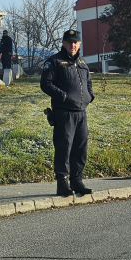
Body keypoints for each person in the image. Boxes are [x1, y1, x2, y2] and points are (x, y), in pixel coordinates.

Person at [40, 29, 95, 197]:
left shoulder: (83, 63)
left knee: (80, 148)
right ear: (63, 43)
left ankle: (77, 181)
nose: (73, 45)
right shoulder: (54, 61)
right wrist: (62, 96)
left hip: (81, 112)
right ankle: (62, 183)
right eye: (69, 42)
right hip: (64, 113)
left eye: (75, 42)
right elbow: (46, 83)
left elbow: (89, 84)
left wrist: (89, 97)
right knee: (64, 147)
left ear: (79, 44)